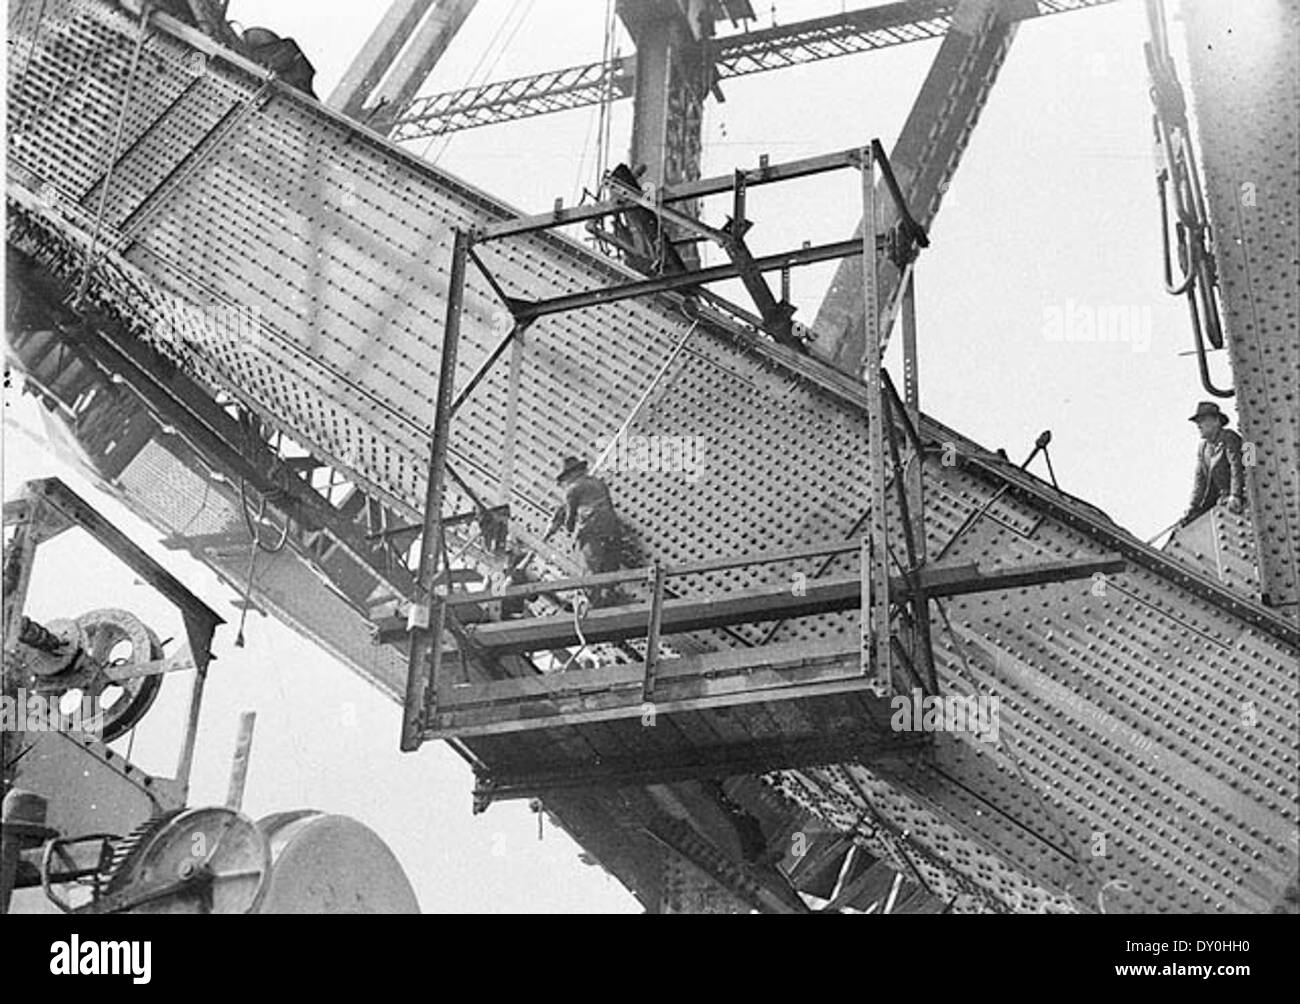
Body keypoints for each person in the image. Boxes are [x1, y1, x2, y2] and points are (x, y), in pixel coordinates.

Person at [545, 456, 624, 607]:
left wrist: (568, 530)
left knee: (591, 568)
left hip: (591, 531)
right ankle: (610, 596)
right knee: (609, 565)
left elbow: (570, 516)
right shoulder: (598, 483)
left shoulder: (572, 489)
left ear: (569, 475)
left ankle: (593, 604)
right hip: (612, 528)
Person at [1180, 401, 1246, 527]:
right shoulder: (1203, 448)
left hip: (1235, 499)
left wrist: (1235, 494)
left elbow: (1236, 466)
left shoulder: (1229, 437)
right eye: (1197, 422)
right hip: (1220, 500)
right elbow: (1200, 480)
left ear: (1216, 421)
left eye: (1203, 420)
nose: (1198, 425)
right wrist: (1193, 506)